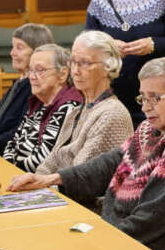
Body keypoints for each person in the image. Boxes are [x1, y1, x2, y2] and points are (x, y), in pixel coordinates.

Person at [8, 57, 165, 250]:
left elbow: (155, 216)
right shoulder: (152, 126)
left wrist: (103, 239)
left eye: (155, 98)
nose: (145, 107)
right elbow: (113, 162)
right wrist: (54, 179)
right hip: (126, 227)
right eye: (142, 98)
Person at [35, 30, 133, 175]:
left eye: (85, 63)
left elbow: (80, 177)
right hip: (59, 190)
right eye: (73, 62)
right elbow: (54, 158)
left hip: (80, 196)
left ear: (109, 66)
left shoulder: (112, 115)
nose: (75, 71)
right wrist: (36, 180)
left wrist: (42, 185)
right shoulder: (80, 109)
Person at [0, 23, 53, 154]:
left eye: (19, 48)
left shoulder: (35, 89)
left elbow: (18, 132)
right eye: (12, 47)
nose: (12, 53)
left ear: (37, 52)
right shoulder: (20, 80)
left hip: (3, 153)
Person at [2, 44, 82, 172]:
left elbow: (44, 159)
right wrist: (6, 166)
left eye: (40, 70)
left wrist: (12, 168)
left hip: (39, 181)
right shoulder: (40, 102)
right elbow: (13, 142)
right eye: (30, 70)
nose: (32, 77)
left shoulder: (68, 107)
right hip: (17, 173)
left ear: (62, 74)